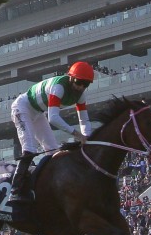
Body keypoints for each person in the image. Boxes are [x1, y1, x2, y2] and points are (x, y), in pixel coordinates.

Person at [8, 61, 95, 204]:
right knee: (29, 148)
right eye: (79, 82)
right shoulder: (59, 86)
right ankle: (15, 190)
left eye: (86, 84)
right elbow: (53, 118)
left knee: (53, 152)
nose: (81, 87)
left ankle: (48, 187)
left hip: (37, 113)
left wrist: (87, 138)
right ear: (71, 77)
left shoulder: (80, 95)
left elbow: (84, 120)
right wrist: (77, 134)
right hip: (22, 108)